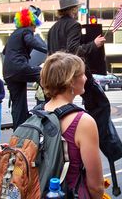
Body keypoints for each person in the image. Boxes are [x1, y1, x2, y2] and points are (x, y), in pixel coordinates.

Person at [47, 0, 122, 163]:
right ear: (73, 9)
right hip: (72, 72)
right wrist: (94, 45)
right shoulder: (74, 25)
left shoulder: (53, 29)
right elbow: (73, 51)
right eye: (76, 8)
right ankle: (110, 149)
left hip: (55, 75)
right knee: (101, 104)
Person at [41, 52, 104, 199]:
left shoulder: (37, 113)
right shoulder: (83, 122)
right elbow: (96, 186)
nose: (86, 78)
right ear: (71, 81)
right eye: (82, 74)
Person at [2, 6, 47, 130]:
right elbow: (32, 42)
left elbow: (5, 51)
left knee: (18, 104)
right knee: (43, 73)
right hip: (19, 67)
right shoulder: (26, 32)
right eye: (34, 25)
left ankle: (19, 130)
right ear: (30, 23)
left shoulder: (14, 34)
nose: (35, 29)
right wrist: (48, 50)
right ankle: (51, 102)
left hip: (8, 73)